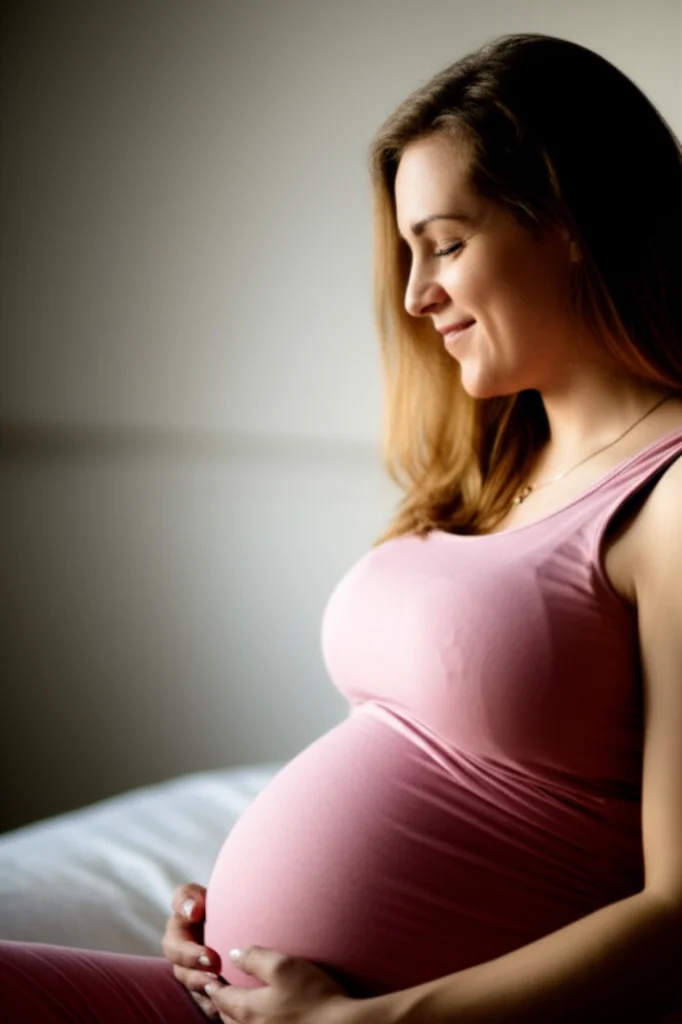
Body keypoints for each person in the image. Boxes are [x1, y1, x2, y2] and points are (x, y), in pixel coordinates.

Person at [1, 31, 680, 1023]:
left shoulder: (665, 494)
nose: (416, 296)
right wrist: (231, 915)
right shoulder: (492, 469)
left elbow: (677, 911)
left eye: (445, 243)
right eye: (408, 254)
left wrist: (362, 1021)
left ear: (569, 217)